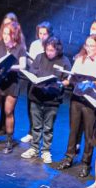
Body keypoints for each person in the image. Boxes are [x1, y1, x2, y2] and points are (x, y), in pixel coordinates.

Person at [58, 29, 96, 178]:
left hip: (92, 102)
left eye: (92, 46)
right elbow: (73, 78)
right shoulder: (80, 59)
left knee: (89, 134)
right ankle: (69, 157)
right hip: (77, 98)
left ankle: (85, 163)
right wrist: (72, 80)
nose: (89, 49)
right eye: (87, 46)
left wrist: (94, 82)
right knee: (74, 130)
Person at [21, 35, 71, 163]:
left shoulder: (64, 61)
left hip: (52, 99)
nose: (49, 53)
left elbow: (68, 80)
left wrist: (60, 83)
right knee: (36, 126)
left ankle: (46, 151)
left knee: (48, 127)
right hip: (37, 95)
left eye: (52, 50)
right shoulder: (39, 57)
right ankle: (34, 148)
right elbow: (33, 71)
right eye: (47, 49)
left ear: (58, 50)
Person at [0, 15, 28, 153]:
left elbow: (23, 65)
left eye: (9, 34)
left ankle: (9, 140)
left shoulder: (20, 48)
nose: (5, 36)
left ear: (14, 35)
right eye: (5, 33)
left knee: (8, 112)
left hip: (11, 83)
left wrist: (10, 67)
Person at [19, 20, 54, 144]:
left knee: (43, 109)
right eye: (40, 33)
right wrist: (31, 63)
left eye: (45, 33)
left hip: (46, 81)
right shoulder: (34, 44)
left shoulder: (53, 46)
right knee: (31, 107)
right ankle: (31, 132)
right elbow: (30, 62)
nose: (42, 36)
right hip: (34, 79)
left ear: (49, 34)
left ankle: (41, 135)